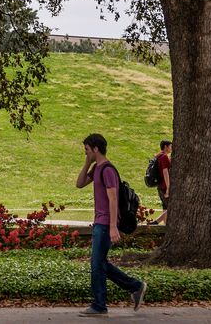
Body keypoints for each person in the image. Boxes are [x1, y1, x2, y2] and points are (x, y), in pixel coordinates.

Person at [76, 133, 146, 317]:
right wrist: (87, 164)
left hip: (106, 224)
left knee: (97, 264)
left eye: (87, 150)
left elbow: (113, 198)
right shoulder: (96, 169)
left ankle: (100, 306)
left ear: (96, 149)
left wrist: (113, 226)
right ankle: (136, 287)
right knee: (99, 264)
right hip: (99, 222)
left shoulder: (107, 170)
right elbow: (79, 183)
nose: (86, 154)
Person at [150, 140, 173, 226]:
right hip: (164, 186)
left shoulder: (158, 156)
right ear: (166, 147)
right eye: (170, 146)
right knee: (171, 207)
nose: (171, 148)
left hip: (159, 185)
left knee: (165, 207)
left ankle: (166, 227)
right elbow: (165, 172)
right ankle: (156, 222)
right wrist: (168, 188)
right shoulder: (164, 157)